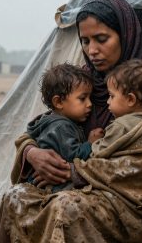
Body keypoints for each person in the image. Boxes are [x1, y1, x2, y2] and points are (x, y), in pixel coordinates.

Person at [0, 0, 142, 243]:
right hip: (81, 187)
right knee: (16, 196)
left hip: (134, 203)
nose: (92, 50)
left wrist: (74, 172)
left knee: (66, 207)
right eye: (84, 41)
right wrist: (32, 152)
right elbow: (45, 124)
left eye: (102, 39)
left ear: (125, 35)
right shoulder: (83, 82)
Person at [23, 63, 104, 192]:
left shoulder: (50, 120)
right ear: (59, 102)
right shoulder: (61, 126)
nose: (89, 104)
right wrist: (90, 143)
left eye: (90, 98)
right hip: (51, 184)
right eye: (83, 98)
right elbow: (72, 156)